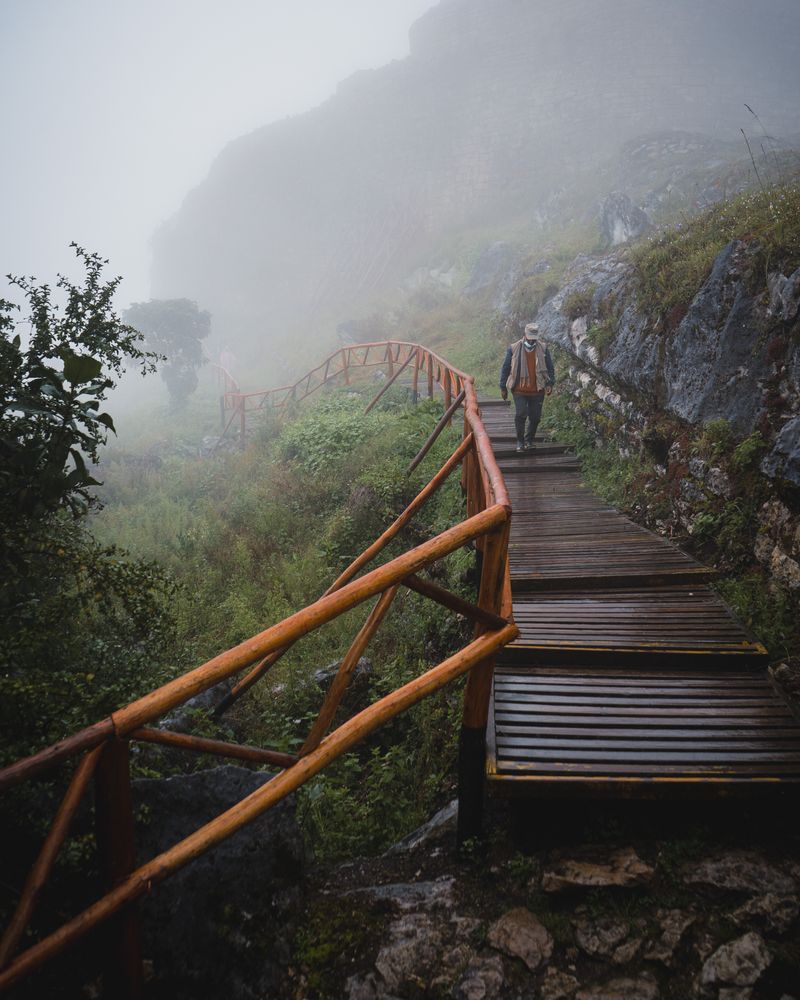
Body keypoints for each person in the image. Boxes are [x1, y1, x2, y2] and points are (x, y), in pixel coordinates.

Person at [499, 322, 555, 452]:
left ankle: (529, 440)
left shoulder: (543, 348)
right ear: (524, 335)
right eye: (529, 337)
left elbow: (550, 368)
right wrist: (503, 387)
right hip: (519, 389)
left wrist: (550, 383)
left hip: (538, 389)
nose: (531, 340)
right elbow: (506, 368)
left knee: (535, 417)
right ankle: (520, 442)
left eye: (533, 338)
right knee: (521, 413)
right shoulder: (513, 348)